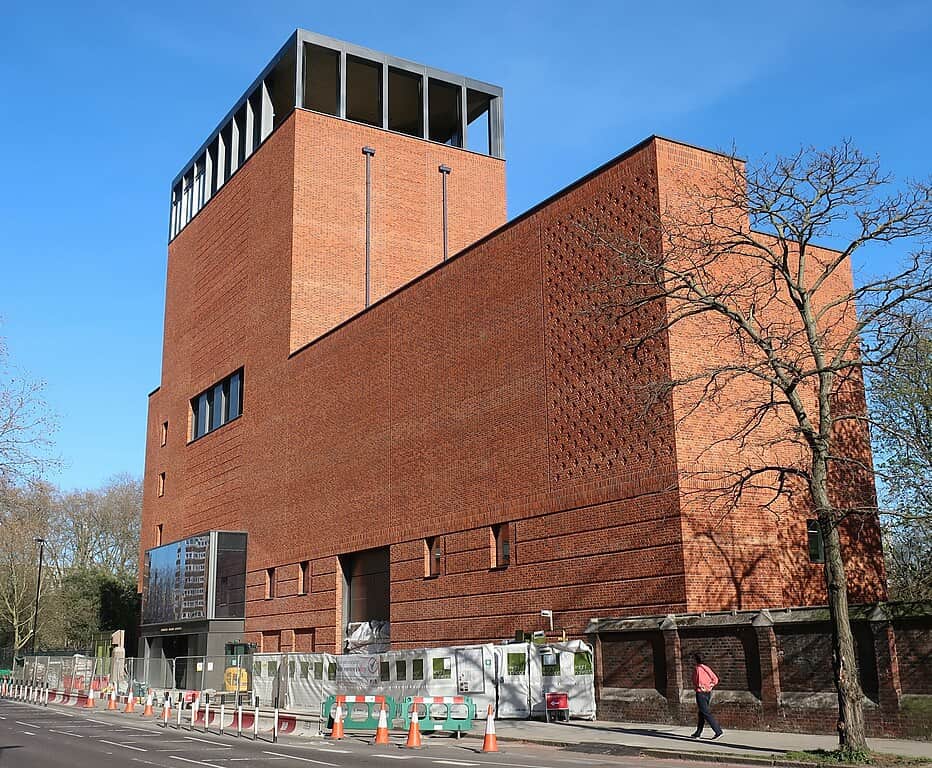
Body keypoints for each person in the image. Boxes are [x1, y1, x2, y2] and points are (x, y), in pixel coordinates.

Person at [691, 653, 724, 739]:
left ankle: (718, 731)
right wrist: (710, 686)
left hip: (700, 693)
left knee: (705, 713)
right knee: (701, 713)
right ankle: (698, 732)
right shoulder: (707, 668)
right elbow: (715, 679)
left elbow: (696, 681)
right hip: (708, 693)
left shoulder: (697, 669)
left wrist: (699, 687)